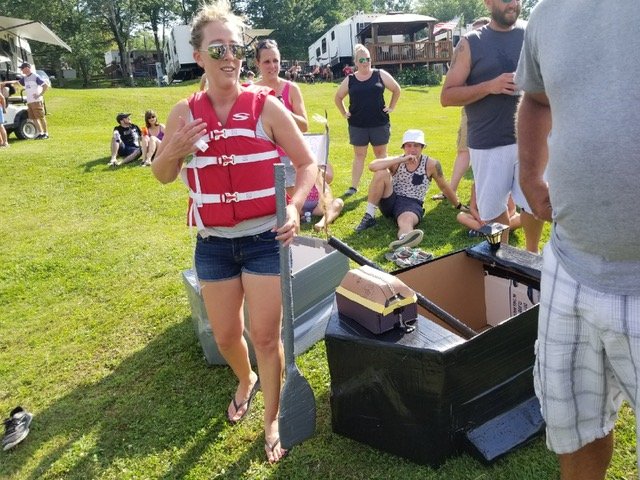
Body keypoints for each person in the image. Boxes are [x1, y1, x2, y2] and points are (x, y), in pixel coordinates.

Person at [151, 0, 317, 464]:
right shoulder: (184, 111)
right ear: (198, 56)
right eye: (217, 47)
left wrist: (296, 205)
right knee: (226, 336)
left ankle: (271, 420)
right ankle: (245, 379)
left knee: (266, 337)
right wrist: (172, 150)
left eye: (235, 48)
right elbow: (163, 175)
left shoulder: (266, 106)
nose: (229, 56)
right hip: (214, 247)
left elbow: (306, 165)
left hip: (266, 238)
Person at [516, 2, 640, 479]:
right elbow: (537, 97)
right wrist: (529, 173)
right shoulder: (548, 13)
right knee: (576, 431)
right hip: (569, 267)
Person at [440, 2, 543, 253]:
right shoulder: (471, 42)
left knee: (533, 203)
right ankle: (504, 262)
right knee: (494, 210)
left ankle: (532, 255)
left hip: (531, 139)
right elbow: (447, 96)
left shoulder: (531, 33)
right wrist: (490, 86)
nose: (512, 3)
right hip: (488, 143)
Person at [354, 129, 463, 250]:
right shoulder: (397, 161)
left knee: (406, 220)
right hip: (391, 199)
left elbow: (444, 186)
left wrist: (458, 205)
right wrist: (401, 159)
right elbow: (372, 166)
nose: (412, 149)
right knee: (381, 173)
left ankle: (404, 240)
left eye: (416, 145)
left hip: (411, 204)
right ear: (404, 147)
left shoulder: (431, 164)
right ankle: (369, 215)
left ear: (422, 147)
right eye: (409, 145)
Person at [433, 17, 490, 202]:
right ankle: (451, 191)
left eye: (481, 31)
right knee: (463, 151)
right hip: (470, 111)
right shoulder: (468, 55)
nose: (476, 37)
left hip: (496, 115)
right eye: (473, 33)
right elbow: (451, 92)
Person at [334, 43, 401, 197]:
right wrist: (344, 112)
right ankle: (353, 187)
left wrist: (391, 107)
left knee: (381, 155)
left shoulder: (380, 74)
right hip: (358, 124)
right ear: (356, 63)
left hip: (379, 122)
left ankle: (387, 183)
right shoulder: (350, 79)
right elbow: (338, 97)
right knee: (359, 155)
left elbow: (396, 89)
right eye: (362, 60)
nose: (365, 63)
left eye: (368, 59)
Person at [255, 38, 309, 194]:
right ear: (257, 63)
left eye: (275, 61)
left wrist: (284, 111)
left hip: (288, 157)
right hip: (260, 157)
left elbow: (304, 126)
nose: (272, 66)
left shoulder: (291, 89)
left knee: (289, 207)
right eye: (266, 62)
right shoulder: (250, 91)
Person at [303, 163, 344, 232]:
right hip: (300, 207)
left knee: (338, 202)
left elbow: (328, 196)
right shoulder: (297, 175)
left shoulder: (319, 177)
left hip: (317, 208)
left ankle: (322, 223)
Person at [15, 63, 49, 139]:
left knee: (41, 117)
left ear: (27, 68)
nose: (21, 70)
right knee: (33, 118)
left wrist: (40, 94)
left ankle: (46, 133)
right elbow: (17, 83)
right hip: (30, 101)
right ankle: (40, 133)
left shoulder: (35, 76)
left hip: (36, 101)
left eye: (22, 68)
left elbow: (45, 85)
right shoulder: (25, 78)